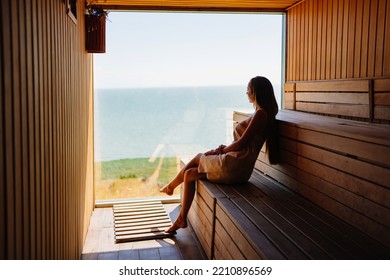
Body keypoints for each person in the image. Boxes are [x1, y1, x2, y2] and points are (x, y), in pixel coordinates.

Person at [160, 76, 279, 233]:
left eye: (248, 90)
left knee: (198, 157)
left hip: (236, 165)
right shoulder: (260, 113)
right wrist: (224, 149)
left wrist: (219, 151)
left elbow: (241, 144)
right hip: (237, 166)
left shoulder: (260, 114)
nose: (247, 93)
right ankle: (181, 219)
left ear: (256, 92)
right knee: (189, 174)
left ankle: (171, 186)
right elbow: (241, 144)